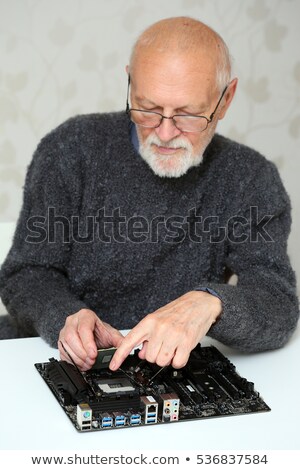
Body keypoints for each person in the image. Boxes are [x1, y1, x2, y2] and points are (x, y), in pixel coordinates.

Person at [0, 17, 298, 372]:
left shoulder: (251, 178)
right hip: (42, 359)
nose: (166, 132)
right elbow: (26, 273)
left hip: (167, 374)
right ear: (130, 83)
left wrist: (210, 302)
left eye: (187, 115)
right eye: (148, 109)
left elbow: (277, 304)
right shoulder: (70, 148)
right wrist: (65, 317)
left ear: (225, 99)